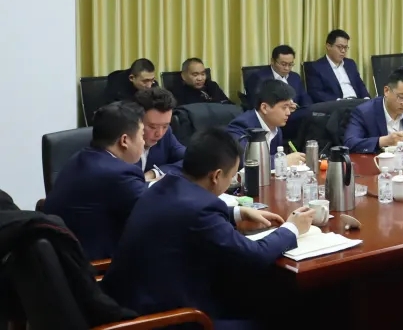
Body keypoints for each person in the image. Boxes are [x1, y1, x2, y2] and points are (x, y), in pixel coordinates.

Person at [103, 128, 315, 329]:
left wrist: (238, 212)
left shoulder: (163, 186)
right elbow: (255, 255)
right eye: (232, 176)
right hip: (166, 320)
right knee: (281, 315)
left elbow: (183, 215)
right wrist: (292, 228)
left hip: (126, 304)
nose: (232, 181)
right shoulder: (201, 209)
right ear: (216, 176)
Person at [43, 102, 146, 259]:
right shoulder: (119, 175)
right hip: (96, 265)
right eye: (142, 135)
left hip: (65, 257)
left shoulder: (80, 157)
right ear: (124, 140)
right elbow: (154, 214)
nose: (144, 142)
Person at [226, 79, 305, 165]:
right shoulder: (241, 126)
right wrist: (283, 161)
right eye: (284, 107)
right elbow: (246, 161)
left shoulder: (276, 130)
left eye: (290, 107)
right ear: (264, 108)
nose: (288, 113)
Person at [132, 87, 186, 180]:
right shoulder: (121, 140)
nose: (160, 134)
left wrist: (155, 173)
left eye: (165, 126)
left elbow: (190, 159)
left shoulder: (167, 133)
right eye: (152, 127)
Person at [306, 29, 369, 102]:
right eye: (340, 47)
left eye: (345, 47)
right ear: (328, 46)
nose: (343, 51)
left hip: (357, 103)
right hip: (337, 105)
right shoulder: (316, 67)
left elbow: (360, 85)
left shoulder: (350, 64)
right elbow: (316, 93)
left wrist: (366, 99)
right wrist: (338, 101)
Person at [244, 44, 311, 108]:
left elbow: (305, 100)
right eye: (283, 64)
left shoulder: (295, 77)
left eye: (290, 64)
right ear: (272, 61)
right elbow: (257, 106)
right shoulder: (259, 78)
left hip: (296, 113)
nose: (287, 68)